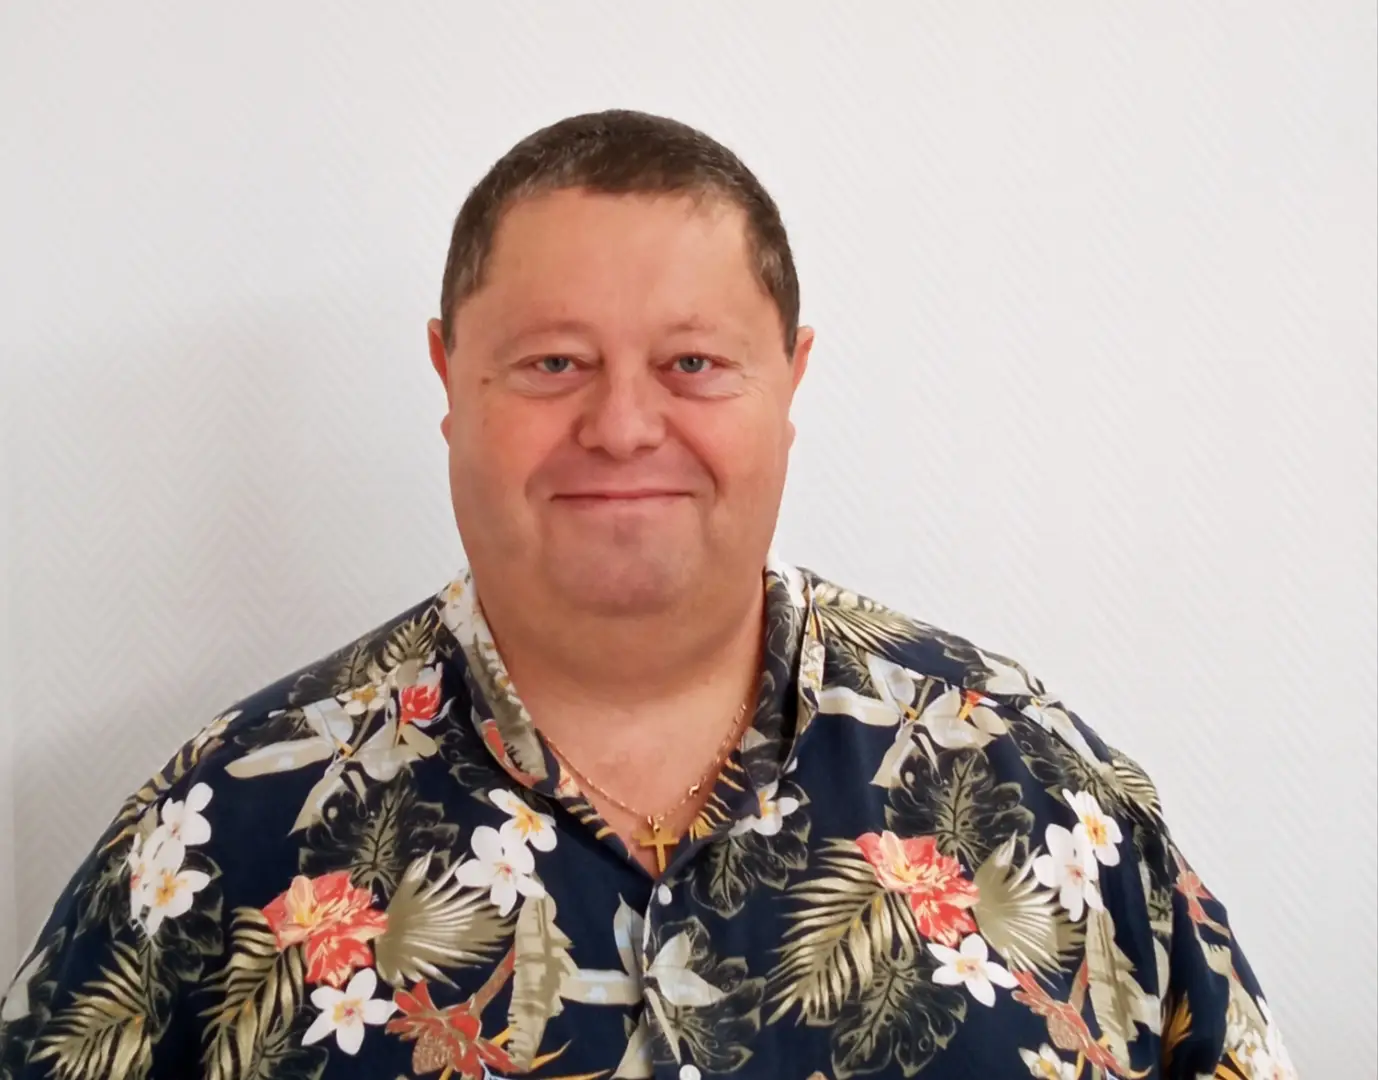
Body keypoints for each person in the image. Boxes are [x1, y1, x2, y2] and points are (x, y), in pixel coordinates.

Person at [0, 108, 1294, 1080]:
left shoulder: (1044, 793)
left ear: (790, 379)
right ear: (449, 378)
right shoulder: (213, 839)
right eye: (554, 363)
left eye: (692, 363)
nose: (622, 426)